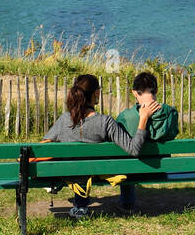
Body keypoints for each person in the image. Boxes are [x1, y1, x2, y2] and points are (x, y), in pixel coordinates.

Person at [44, 73, 159, 218]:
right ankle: (126, 202)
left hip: (71, 173)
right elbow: (134, 149)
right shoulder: (106, 122)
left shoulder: (64, 119)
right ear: (97, 94)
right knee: (108, 164)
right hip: (98, 172)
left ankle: (80, 205)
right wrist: (143, 119)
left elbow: (45, 144)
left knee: (79, 166)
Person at [115, 71, 181, 212]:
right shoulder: (171, 113)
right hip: (161, 168)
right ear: (156, 90)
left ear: (134, 92)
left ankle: (127, 202)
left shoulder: (125, 117)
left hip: (131, 171)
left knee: (124, 157)